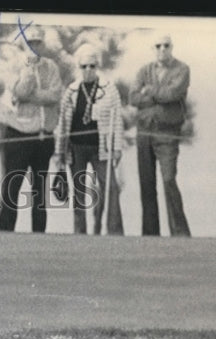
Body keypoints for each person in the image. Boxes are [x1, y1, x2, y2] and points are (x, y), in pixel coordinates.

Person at [0, 24, 62, 234]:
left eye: (38, 43)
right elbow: (19, 91)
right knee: (11, 190)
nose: (34, 47)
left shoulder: (51, 66)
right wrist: (28, 74)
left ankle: (39, 238)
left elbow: (54, 96)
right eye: (30, 43)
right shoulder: (15, 65)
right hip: (18, 135)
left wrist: (31, 96)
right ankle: (4, 236)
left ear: (43, 44)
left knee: (39, 192)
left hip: (43, 137)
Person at [54, 44, 124, 236]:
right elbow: (63, 122)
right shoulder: (71, 90)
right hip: (76, 148)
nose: (88, 70)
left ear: (97, 66)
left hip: (101, 148)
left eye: (92, 66)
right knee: (79, 192)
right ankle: (80, 233)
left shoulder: (109, 89)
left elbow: (117, 119)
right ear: (79, 67)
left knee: (111, 189)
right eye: (84, 66)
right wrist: (59, 151)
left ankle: (115, 232)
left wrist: (117, 148)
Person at [128, 34, 191, 236]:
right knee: (147, 184)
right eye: (158, 46)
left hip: (167, 133)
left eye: (166, 45)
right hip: (144, 131)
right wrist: (158, 96)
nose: (162, 49)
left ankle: (180, 233)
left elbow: (174, 94)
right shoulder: (143, 70)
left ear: (172, 47)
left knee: (169, 179)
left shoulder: (182, 69)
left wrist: (150, 91)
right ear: (153, 48)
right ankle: (150, 234)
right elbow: (133, 97)